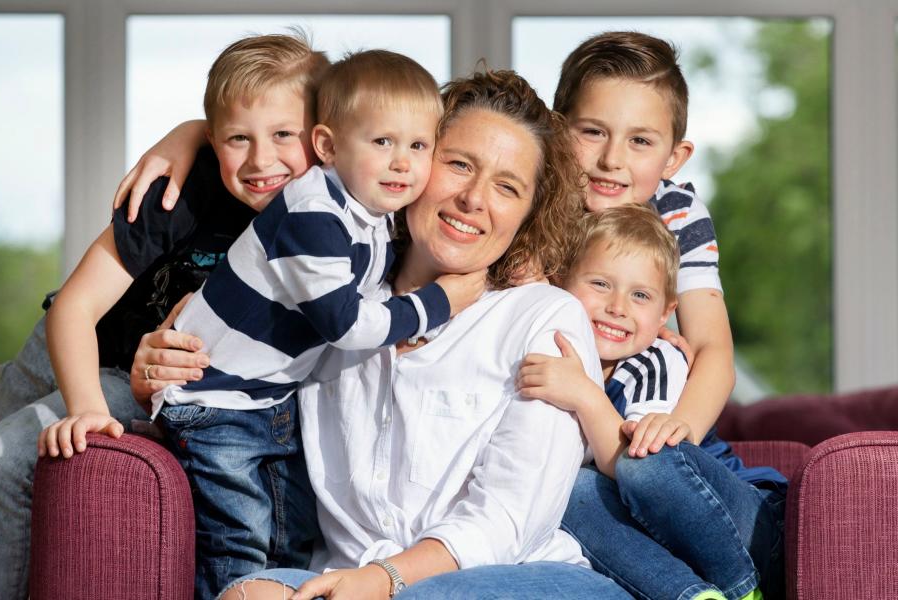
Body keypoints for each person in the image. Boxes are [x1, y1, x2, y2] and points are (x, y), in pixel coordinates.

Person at [130, 67, 632, 599]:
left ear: (528, 216)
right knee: (247, 595)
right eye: (458, 165)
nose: (474, 199)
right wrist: (162, 381)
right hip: (346, 577)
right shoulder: (331, 299)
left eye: (507, 187)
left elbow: (507, 519)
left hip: (519, 575)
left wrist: (385, 579)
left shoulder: (542, 316)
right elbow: (238, 407)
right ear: (411, 165)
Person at [0, 33, 330, 600]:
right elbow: (74, 307)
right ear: (214, 138)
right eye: (237, 139)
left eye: (284, 135)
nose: (262, 160)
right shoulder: (183, 187)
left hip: (135, 377)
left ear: (323, 137)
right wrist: (87, 412)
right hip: (66, 342)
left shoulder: (337, 214)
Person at [137, 48, 484, 598]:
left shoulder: (368, 208)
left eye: (418, 146)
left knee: (291, 535)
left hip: (269, 398)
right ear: (327, 146)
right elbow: (346, 325)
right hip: (217, 400)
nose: (402, 163)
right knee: (241, 543)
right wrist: (439, 302)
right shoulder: (312, 213)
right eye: (382, 143)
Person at [519, 204, 786, 600]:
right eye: (600, 284)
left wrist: (584, 394)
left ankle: (743, 589)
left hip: (746, 525)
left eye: (640, 295)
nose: (618, 307)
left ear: (665, 314)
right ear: (561, 283)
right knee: (569, 492)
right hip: (667, 541)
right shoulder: (557, 354)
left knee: (648, 461)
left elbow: (633, 459)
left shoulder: (657, 360)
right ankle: (692, 596)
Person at [552, 31, 735, 458]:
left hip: (655, 423)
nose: (612, 158)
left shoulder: (676, 211)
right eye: (593, 132)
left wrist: (675, 432)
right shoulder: (533, 199)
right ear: (557, 132)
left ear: (674, 157)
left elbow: (712, 348)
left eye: (640, 141)